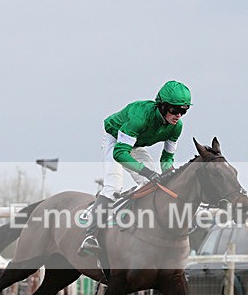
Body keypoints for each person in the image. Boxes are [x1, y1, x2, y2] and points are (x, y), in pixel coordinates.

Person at [78, 80, 192, 256]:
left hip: (135, 145)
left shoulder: (177, 127)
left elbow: (167, 159)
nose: (178, 115)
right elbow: (120, 153)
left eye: (183, 111)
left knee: (153, 184)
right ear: (162, 106)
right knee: (114, 186)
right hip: (115, 141)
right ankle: (90, 236)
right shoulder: (140, 117)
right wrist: (147, 172)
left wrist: (170, 174)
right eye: (174, 110)